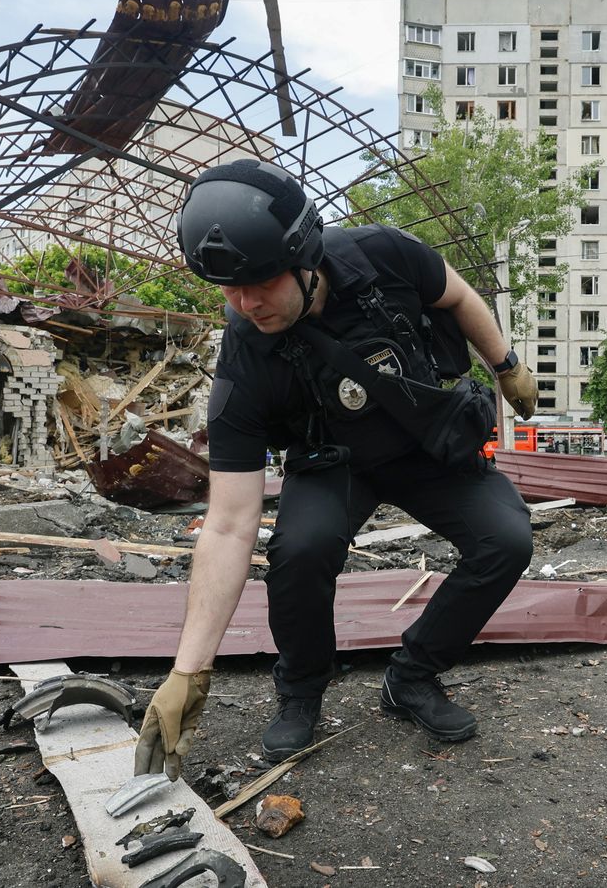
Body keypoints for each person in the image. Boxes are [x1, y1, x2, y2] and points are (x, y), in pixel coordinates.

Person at [132, 160, 538, 780]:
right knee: (300, 551)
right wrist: (189, 672)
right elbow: (228, 525)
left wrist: (507, 365)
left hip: (423, 445)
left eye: (261, 283)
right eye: (228, 289)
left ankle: (413, 676)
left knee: (505, 540)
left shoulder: (384, 255)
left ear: (305, 258)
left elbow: (456, 293)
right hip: (332, 462)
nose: (245, 304)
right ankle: (301, 690)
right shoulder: (244, 364)